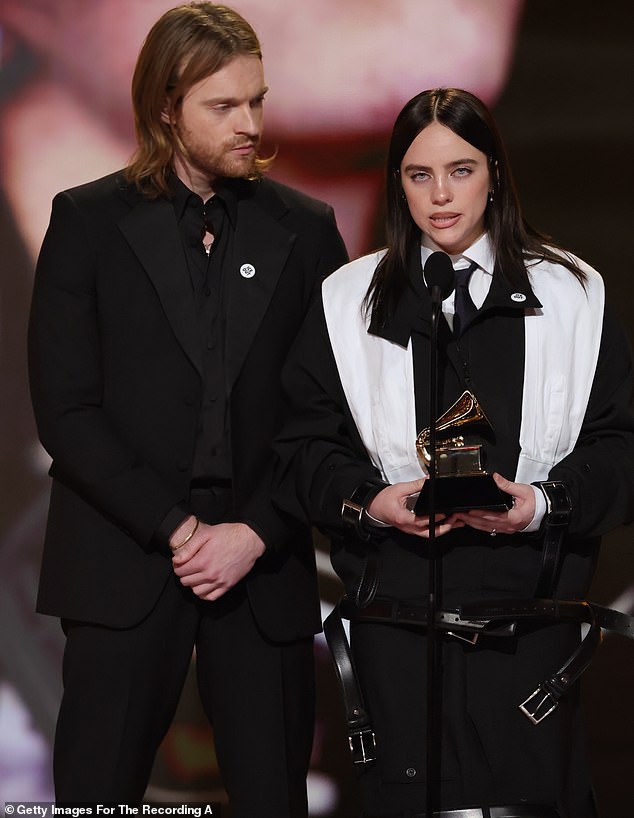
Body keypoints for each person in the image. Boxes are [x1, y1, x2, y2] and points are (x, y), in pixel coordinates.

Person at [274, 88, 634, 817]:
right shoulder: (346, 301)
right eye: (418, 175)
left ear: (495, 173)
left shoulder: (574, 294)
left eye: (461, 170)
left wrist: (540, 504)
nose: (440, 196)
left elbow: (620, 445)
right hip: (398, 637)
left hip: (532, 640)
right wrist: (372, 501)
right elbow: (300, 448)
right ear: (396, 183)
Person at [27, 2, 347, 813]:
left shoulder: (305, 231)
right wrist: (179, 529)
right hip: (124, 560)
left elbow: (329, 411)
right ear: (167, 107)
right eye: (225, 106)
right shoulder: (87, 221)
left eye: (257, 101)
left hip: (261, 566)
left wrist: (254, 533)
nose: (250, 124)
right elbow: (65, 410)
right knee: (97, 796)